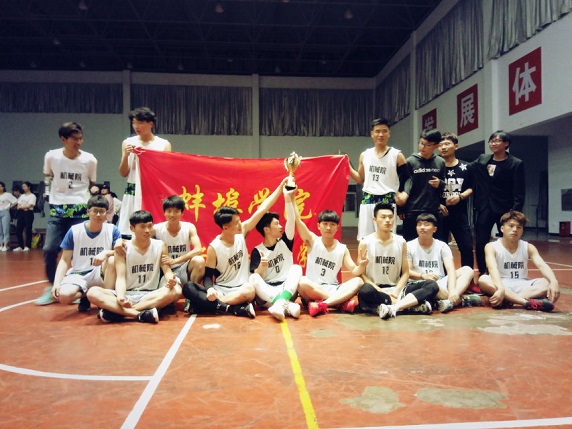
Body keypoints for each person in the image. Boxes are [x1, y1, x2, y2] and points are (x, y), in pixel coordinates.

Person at [182, 178, 288, 318]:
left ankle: (208, 306)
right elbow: (208, 276)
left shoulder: (241, 233)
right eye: (236, 223)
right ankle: (233, 309)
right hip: (222, 289)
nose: (240, 224)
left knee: (250, 291)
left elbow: (262, 209)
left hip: (242, 289)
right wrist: (210, 289)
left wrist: (280, 187)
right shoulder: (214, 247)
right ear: (225, 227)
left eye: (239, 221)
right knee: (188, 287)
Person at [37, 122, 98, 305]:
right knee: (50, 249)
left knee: (80, 252)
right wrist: (47, 194)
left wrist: (94, 191)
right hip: (58, 209)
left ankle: (79, 287)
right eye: (75, 139)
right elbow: (47, 176)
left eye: (80, 138)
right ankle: (52, 286)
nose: (79, 142)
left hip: (80, 209)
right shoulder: (51, 157)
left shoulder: (90, 160)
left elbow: (92, 183)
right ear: (63, 139)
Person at [87, 210, 182, 323]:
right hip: (127, 294)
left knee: (175, 290)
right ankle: (141, 314)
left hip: (150, 295)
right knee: (92, 292)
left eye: (150, 226)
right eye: (142, 227)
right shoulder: (122, 248)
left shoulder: (160, 246)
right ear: (132, 228)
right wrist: (120, 298)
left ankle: (120, 312)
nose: (147, 230)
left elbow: (167, 270)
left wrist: (170, 280)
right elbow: (121, 277)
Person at [356, 203, 439, 319]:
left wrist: (396, 291)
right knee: (365, 291)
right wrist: (381, 291)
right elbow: (362, 274)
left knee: (432, 285)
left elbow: (405, 272)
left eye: (390, 217)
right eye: (383, 217)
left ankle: (393, 307)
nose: (387, 220)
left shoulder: (401, 241)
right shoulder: (365, 242)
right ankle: (409, 306)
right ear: (374, 219)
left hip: (397, 289)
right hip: (376, 290)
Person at [477, 210, 558, 312]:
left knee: (546, 283)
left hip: (522, 285)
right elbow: (492, 269)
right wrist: (501, 288)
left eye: (519, 227)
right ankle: (526, 302)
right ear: (502, 228)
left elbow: (542, 265)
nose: (515, 230)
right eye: (511, 226)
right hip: (501, 284)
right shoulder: (491, 247)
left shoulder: (528, 247)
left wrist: (554, 281)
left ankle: (509, 300)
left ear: (522, 230)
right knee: (483, 279)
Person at [51, 196, 121, 311]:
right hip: (79, 273)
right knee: (63, 297)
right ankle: (87, 295)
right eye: (95, 211)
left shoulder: (112, 229)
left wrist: (106, 253)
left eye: (102, 211)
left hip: (101, 273)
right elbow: (64, 260)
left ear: (106, 213)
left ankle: (105, 300)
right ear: (88, 212)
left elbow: (120, 252)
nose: (98, 215)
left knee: (112, 260)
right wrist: (56, 283)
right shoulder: (75, 230)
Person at [295, 207, 366, 317]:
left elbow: (354, 270)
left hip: (333, 288)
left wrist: (362, 265)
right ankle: (339, 303)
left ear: (337, 227)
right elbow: (298, 221)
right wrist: (291, 200)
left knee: (359, 281)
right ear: (318, 226)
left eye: (332, 224)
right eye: (325, 224)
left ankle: (323, 304)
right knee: (301, 281)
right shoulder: (313, 241)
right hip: (312, 289)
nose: (328, 228)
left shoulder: (342, 249)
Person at [472, 130, 525, 276]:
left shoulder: (515, 163)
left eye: (497, 141)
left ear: (506, 143)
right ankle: (483, 272)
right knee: (481, 242)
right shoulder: (483, 159)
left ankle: (505, 271)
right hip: (484, 208)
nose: (493, 144)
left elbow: (519, 191)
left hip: (505, 209)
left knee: (508, 241)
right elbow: (468, 169)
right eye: (491, 141)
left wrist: (514, 213)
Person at [407, 213, 481, 314]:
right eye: (419, 225)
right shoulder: (409, 246)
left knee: (468, 270)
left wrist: (452, 290)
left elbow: (450, 270)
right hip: (420, 283)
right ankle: (461, 301)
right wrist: (423, 276)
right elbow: (407, 272)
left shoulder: (442, 246)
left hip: (440, 283)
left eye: (426, 224)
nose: (422, 227)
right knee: (432, 286)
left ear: (434, 229)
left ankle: (450, 299)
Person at [349, 118, 409, 240]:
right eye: (377, 131)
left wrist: (405, 194)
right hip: (368, 199)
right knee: (365, 240)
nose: (381, 134)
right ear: (372, 134)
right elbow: (360, 179)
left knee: (387, 239)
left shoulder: (397, 155)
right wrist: (347, 166)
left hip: (387, 201)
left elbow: (408, 179)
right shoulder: (364, 155)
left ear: (389, 134)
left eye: (384, 131)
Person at [248, 187, 302, 321]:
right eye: (276, 224)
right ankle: (286, 305)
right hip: (268, 294)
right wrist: (262, 266)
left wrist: (287, 198)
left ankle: (280, 303)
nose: (280, 227)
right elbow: (257, 277)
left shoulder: (285, 242)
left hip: (287, 288)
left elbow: (291, 220)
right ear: (267, 229)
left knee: (296, 268)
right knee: (253, 278)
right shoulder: (257, 251)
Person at [117, 107, 171, 237]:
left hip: (152, 191)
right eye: (134, 123)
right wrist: (126, 155)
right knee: (129, 229)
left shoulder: (163, 144)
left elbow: (165, 173)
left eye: (140, 123)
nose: (136, 126)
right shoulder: (128, 143)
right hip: (133, 190)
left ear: (151, 124)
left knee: (153, 229)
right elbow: (123, 173)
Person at [153, 195, 205, 311]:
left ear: (182, 213)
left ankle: (192, 297)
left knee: (199, 260)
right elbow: (138, 238)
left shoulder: (189, 227)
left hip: (184, 267)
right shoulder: (156, 229)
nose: (172, 214)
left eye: (176, 211)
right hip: (166, 270)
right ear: (164, 213)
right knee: (171, 300)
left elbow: (198, 250)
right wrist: (120, 242)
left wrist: (175, 260)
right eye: (169, 211)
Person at [401, 129, 446, 242]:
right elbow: (402, 185)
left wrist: (440, 184)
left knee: (436, 243)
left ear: (436, 146)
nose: (423, 147)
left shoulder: (440, 162)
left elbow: (444, 184)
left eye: (427, 145)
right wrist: (401, 209)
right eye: (421, 143)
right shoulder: (410, 162)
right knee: (410, 244)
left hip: (433, 210)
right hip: (413, 210)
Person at [438, 132, 475, 269]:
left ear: (456, 146)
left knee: (466, 247)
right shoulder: (435, 167)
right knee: (440, 248)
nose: (443, 147)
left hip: (460, 214)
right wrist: (437, 204)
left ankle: (468, 277)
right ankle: (442, 277)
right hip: (440, 214)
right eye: (440, 145)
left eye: (447, 144)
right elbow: (426, 190)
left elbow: (472, 187)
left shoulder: (466, 167)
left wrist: (460, 197)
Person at [14, 181, 37, 252]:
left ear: (29, 187)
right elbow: (18, 205)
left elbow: (29, 205)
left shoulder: (32, 196)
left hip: (28, 213)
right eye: (22, 186)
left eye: (24, 186)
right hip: (21, 213)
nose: (23, 188)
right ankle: (20, 246)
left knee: (28, 229)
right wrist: (23, 207)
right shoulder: (22, 196)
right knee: (18, 229)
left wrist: (23, 207)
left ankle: (27, 245)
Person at [0, 181, 17, 251]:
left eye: (1, 186)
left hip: (5, 212)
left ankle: (5, 245)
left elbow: (16, 201)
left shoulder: (7, 194)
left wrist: (10, 207)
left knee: (5, 229)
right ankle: (1, 244)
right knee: (0, 231)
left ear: (3, 187)